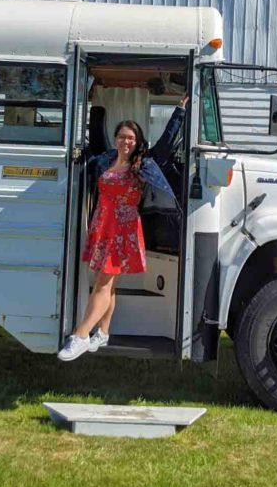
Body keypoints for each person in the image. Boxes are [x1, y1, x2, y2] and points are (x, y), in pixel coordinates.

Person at [57, 96, 188, 361]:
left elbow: (164, 145)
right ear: (115, 139)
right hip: (103, 226)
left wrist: (179, 113)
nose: (125, 141)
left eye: (131, 138)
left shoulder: (143, 165)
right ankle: (103, 333)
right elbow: (91, 150)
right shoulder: (106, 161)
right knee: (109, 285)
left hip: (122, 231)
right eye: (121, 136)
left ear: (138, 142)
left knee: (102, 286)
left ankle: (81, 336)